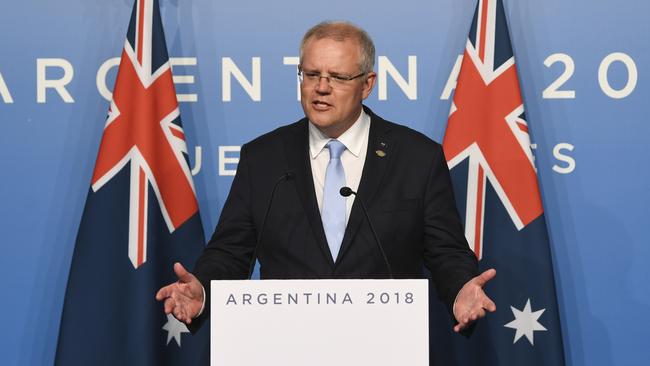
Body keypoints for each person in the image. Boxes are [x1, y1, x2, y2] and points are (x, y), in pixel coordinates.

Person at [156, 20, 496, 334]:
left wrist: (459, 289)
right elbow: (230, 252)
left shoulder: (416, 157)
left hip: (384, 342)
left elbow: (445, 252)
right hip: (286, 343)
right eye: (311, 74)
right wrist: (202, 288)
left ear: (367, 85)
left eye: (338, 77)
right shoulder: (263, 158)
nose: (321, 88)